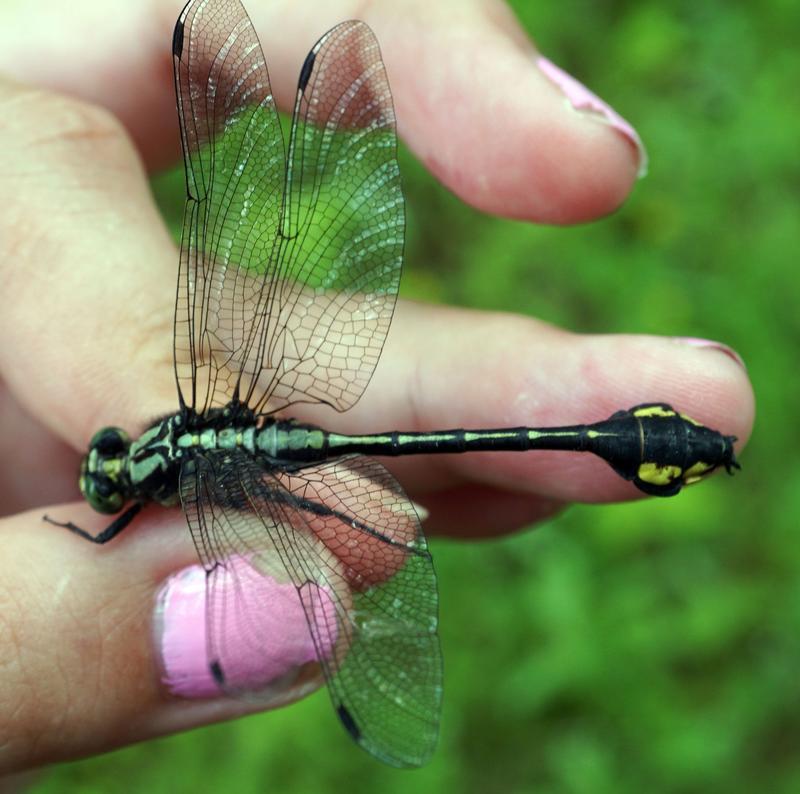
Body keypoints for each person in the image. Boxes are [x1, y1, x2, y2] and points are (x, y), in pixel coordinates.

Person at [0, 0, 753, 775]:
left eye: (111, 468)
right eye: (116, 471)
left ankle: (622, 438)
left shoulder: (177, 483)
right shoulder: (194, 428)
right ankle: (622, 438)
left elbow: (107, 536)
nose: (112, 467)